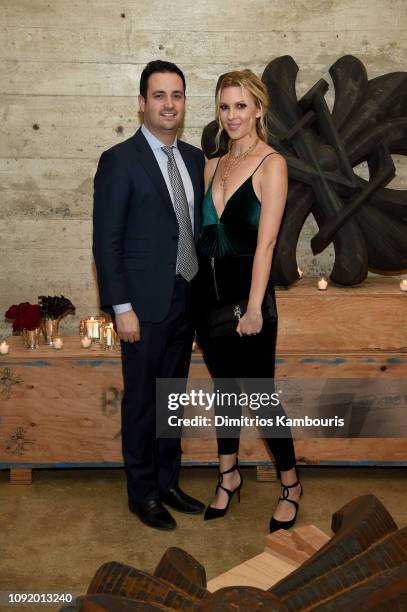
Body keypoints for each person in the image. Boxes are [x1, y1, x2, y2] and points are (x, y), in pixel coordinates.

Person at [93, 60, 205, 531]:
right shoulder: (120, 160)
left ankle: (167, 482)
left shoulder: (195, 159)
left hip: (186, 300)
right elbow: (106, 241)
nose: (168, 104)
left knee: (171, 400)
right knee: (142, 401)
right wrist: (122, 308)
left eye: (176, 95)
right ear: (142, 103)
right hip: (142, 306)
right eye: (159, 95)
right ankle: (141, 494)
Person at [194, 70, 302, 531]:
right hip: (207, 297)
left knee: (260, 395)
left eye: (241, 105)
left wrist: (255, 307)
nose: (232, 115)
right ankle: (228, 475)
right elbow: (202, 236)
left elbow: (267, 243)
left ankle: (291, 484)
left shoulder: (271, 163)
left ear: (258, 108)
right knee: (225, 391)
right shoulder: (211, 164)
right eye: (225, 106)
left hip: (247, 297)